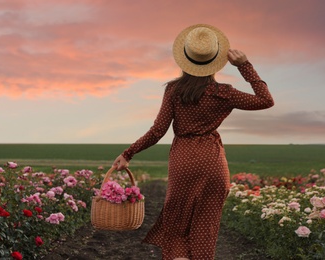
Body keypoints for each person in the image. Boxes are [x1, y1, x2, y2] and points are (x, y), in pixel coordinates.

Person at [112, 24, 274, 260]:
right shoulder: (224, 92)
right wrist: (244, 66)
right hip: (213, 164)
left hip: (184, 161)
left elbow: (158, 130)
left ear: (185, 59)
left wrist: (128, 153)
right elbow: (265, 100)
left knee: (176, 225)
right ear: (215, 60)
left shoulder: (174, 90)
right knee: (205, 226)